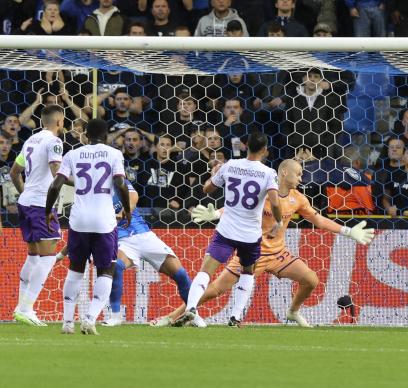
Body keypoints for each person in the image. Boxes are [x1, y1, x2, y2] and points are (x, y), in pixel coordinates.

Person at [152, 159, 374, 327]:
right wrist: (216, 215)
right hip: (253, 251)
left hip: (279, 254)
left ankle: (293, 312)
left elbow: (318, 219)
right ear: (284, 172)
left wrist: (348, 231)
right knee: (214, 290)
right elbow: (235, 208)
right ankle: (173, 316)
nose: (301, 177)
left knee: (311, 280)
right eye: (298, 173)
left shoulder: (298, 198)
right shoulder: (265, 191)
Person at [174, 132, 283, 326]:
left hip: (226, 230)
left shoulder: (230, 165)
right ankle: (235, 317)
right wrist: (279, 221)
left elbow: (207, 189)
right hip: (250, 234)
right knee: (248, 272)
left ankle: (191, 307)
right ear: (265, 150)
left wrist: (214, 175)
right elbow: (274, 201)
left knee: (206, 271)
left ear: (245, 146)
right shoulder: (268, 172)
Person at [45, 118, 131, 335]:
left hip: (79, 219)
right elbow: (120, 183)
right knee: (106, 270)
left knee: (75, 268)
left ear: (85, 134)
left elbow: (56, 183)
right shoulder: (114, 154)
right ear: (106, 136)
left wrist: (48, 210)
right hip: (104, 219)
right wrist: (128, 210)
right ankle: (90, 318)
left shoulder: (72, 154)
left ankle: (66, 322)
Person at [9, 105, 65, 327]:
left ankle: (21, 309)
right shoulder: (55, 142)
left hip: (26, 203)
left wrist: (26, 194)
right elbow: (56, 172)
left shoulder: (30, 140)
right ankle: (26, 308)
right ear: (59, 122)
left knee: (33, 256)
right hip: (42, 204)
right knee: (49, 257)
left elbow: (14, 172)